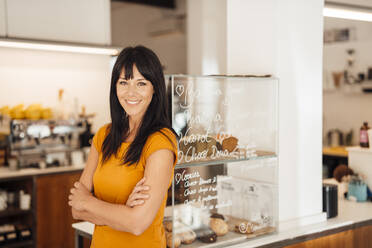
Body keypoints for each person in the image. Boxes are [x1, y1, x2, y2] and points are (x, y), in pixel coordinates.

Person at [68, 45, 178, 247]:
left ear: (155, 89)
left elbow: (137, 223)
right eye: (123, 82)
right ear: (115, 87)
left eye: (141, 83)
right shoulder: (104, 136)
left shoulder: (161, 142)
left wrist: (90, 203)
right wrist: (122, 212)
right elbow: (76, 208)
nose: (131, 92)